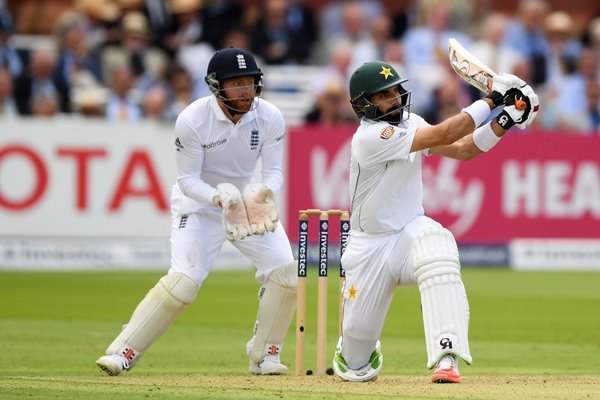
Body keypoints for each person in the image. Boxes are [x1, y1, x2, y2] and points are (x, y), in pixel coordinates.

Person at [331, 61, 539, 383]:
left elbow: (462, 149)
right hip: (368, 247)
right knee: (356, 364)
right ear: (363, 104)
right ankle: (354, 346)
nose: (395, 99)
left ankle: (447, 355)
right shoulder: (368, 138)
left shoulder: (410, 122)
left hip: (408, 234)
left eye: (395, 90)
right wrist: (491, 99)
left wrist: (505, 118)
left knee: (438, 247)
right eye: (383, 95)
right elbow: (446, 132)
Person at [96, 47, 297, 376]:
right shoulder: (192, 119)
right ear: (216, 86)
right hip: (201, 205)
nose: (247, 91)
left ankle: (264, 355)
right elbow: (188, 180)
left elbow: (274, 172)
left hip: (247, 202)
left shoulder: (270, 116)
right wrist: (220, 200)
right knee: (184, 283)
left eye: (251, 82)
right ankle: (123, 352)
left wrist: (264, 194)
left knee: (286, 273)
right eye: (238, 84)